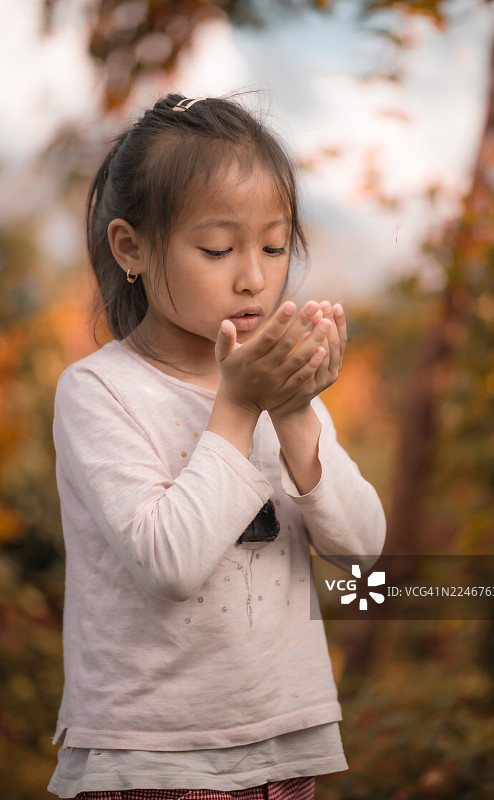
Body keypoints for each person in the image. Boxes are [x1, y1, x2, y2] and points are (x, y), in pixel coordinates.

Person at [48, 92, 386, 800]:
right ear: (131, 247)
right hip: (155, 762)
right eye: (217, 248)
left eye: (272, 245)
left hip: (283, 749)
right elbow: (169, 564)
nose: (253, 277)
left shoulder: (278, 386)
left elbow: (361, 551)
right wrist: (238, 405)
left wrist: (293, 410)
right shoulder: (99, 392)